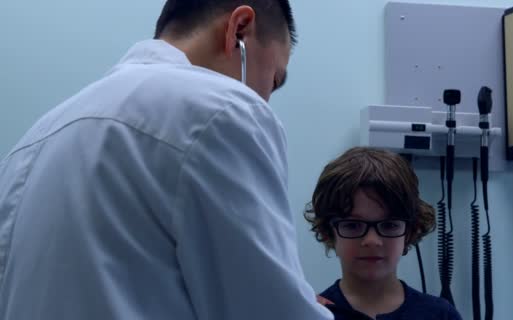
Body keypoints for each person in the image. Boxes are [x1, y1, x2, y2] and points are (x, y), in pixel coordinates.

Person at [0, 1, 333, 319]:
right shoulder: (223, 110)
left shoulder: (33, 141)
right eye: (273, 80)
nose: (266, 99)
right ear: (240, 30)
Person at [305, 147, 462, 320]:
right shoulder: (312, 314)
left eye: (389, 225)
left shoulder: (441, 315)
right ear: (329, 231)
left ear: (409, 231)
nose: (372, 240)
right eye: (352, 225)